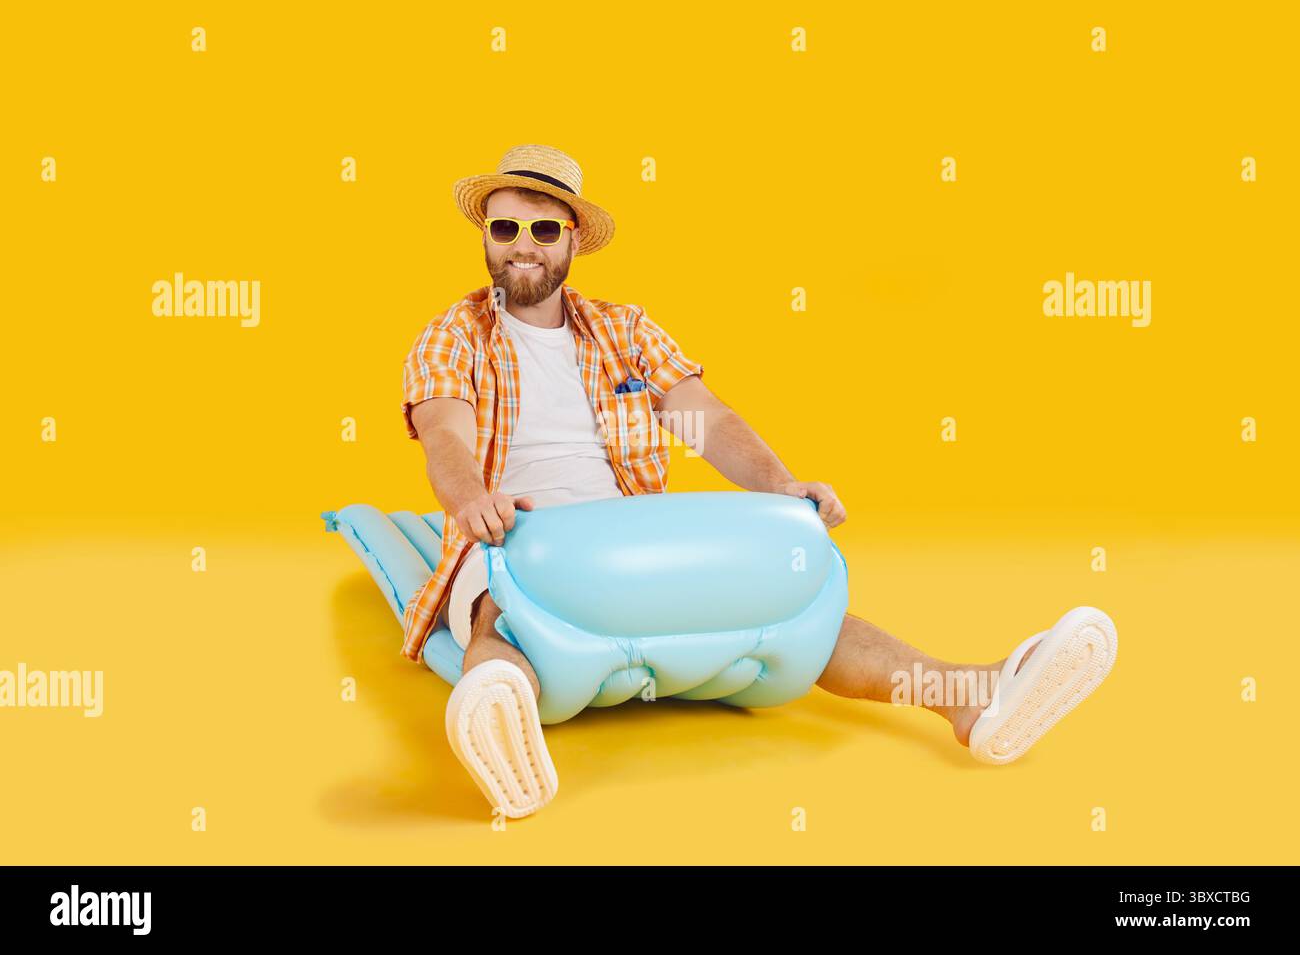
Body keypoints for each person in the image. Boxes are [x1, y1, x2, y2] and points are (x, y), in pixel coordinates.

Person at [401, 144, 1118, 818]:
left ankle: (971, 694)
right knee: (503, 608)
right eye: (505, 226)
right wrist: (473, 502)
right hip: (514, 531)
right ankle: (501, 711)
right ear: (486, 236)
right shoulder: (454, 334)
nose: (522, 244)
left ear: (574, 238)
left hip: (628, 543)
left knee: (798, 603)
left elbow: (703, 420)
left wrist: (781, 485)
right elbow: (447, 433)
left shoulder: (624, 330)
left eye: (542, 228)